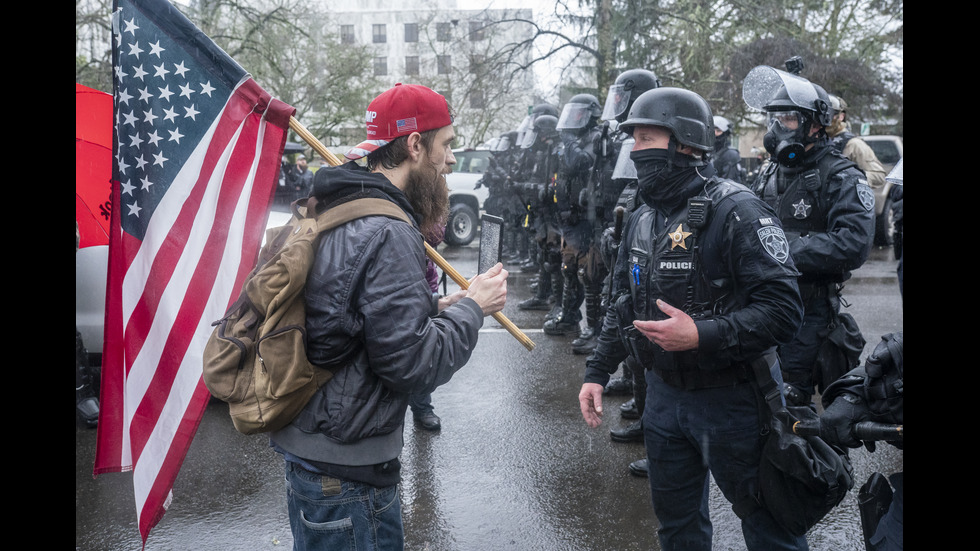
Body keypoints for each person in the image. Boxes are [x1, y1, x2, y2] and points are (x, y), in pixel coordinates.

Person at [269, 83, 508, 550]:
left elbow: (352, 314)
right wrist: (474, 310)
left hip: (314, 455)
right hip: (347, 475)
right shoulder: (389, 229)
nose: (452, 160)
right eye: (448, 145)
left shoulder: (341, 206)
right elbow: (412, 366)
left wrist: (435, 307)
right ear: (416, 145)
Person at [578, 86, 807, 550]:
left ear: (684, 141)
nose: (635, 150)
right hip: (662, 401)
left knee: (770, 530)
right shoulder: (642, 218)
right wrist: (597, 372)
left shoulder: (736, 210)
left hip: (734, 402)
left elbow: (784, 312)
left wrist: (701, 334)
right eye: (633, 140)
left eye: (645, 138)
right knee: (677, 530)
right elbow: (621, 300)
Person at [744, 66, 876, 405]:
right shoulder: (769, 170)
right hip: (761, 304)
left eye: (788, 118)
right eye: (774, 118)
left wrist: (779, 247)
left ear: (815, 123)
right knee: (756, 394)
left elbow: (853, 244)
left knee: (792, 401)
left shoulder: (842, 176)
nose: (777, 127)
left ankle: (816, 459)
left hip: (809, 310)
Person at [544, 94, 603, 337]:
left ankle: (594, 328)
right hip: (570, 219)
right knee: (569, 267)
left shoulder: (595, 137)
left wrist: (569, 143)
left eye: (579, 114)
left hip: (588, 219)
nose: (574, 119)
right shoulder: (576, 138)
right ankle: (569, 316)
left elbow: (580, 162)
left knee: (589, 274)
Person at [711, 115, 744, 183]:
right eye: (712, 130)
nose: (715, 133)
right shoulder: (707, 151)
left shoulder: (730, 154)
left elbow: (730, 183)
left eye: (718, 130)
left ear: (725, 133)